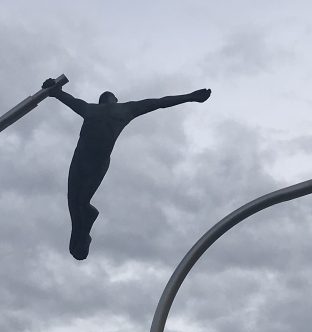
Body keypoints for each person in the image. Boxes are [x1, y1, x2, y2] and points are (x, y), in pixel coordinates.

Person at [42, 78, 211, 260]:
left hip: (87, 159)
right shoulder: (120, 109)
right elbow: (159, 102)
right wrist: (190, 97)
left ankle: (81, 236)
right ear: (114, 99)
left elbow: (159, 103)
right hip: (91, 160)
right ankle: (81, 236)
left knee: (77, 202)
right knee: (76, 202)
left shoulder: (92, 109)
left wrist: (53, 89)